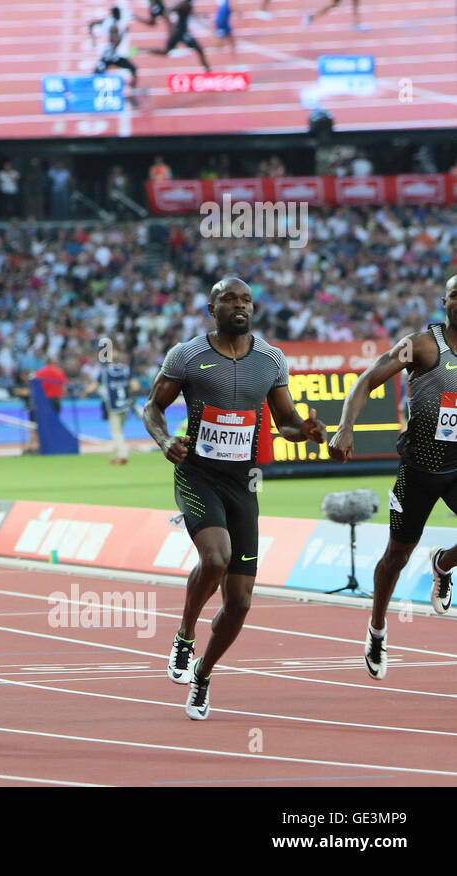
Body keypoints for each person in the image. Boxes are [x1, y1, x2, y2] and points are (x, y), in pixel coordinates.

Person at [143, 277, 326, 719]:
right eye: (229, 298)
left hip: (243, 482)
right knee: (216, 556)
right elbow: (152, 408)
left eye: (246, 298)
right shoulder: (186, 356)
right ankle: (185, 635)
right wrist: (165, 441)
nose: (239, 304)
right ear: (212, 308)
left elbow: (284, 420)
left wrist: (303, 432)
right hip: (197, 474)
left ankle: (203, 675)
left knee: (241, 602)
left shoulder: (270, 360)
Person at [329, 276, 457, 679]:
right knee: (396, 556)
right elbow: (367, 381)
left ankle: (443, 564)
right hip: (419, 470)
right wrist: (345, 427)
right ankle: (377, 628)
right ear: (445, 301)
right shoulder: (422, 345)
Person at [150, 0, 212, 72]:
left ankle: (208, 70)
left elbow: (190, 14)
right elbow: (169, 11)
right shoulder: (184, 4)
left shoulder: (188, 4)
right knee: (199, 50)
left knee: (166, 51)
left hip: (181, 32)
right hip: (180, 33)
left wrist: (202, 15)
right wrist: (170, 26)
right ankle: (208, 71)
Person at [98, 346, 137, 464]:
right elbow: (135, 386)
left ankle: (122, 455)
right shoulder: (126, 370)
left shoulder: (105, 372)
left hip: (112, 406)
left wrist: (84, 393)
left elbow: (95, 385)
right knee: (120, 431)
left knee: (116, 432)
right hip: (125, 405)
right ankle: (115, 455)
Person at [88, 6, 138, 90]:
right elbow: (116, 44)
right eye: (119, 14)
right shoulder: (113, 27)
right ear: (116, 14)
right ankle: (132, 89)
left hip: (108, 53)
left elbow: (92, 24)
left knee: (97, 74)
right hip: (109, 55)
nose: (120, 16)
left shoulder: (107, 20)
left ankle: (92, 89)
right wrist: (124, 33)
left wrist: (94, 39)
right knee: (132, 69)